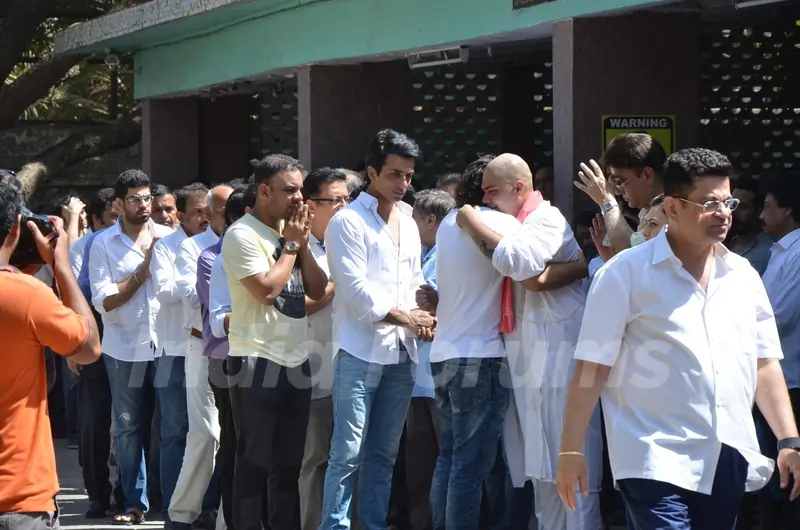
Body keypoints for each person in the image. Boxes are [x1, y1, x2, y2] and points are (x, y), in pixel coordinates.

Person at [558, 148, 800, 529]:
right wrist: (571, 449)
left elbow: (764, 363)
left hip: (726, 451)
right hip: (651, 455)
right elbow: (592, 367)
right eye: (709, 204)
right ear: (672, 207)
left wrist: (788, 440)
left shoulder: (743, 276)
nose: (723, 213)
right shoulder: (623, 275)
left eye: (728, 202)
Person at [456, 153, 601, 529]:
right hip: (528, 362)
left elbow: (518, 264)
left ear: (518, 187)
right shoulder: (515, 223)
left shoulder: (545, 218)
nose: (485, 200)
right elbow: (529, 278)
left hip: (560, 359)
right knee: (542, 481)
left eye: (491, 191)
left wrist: (471, 222)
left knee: (576, 480)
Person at [319, 129, 434, 530]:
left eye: (409, 175)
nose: (403, 183)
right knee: (347, 452)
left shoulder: (408, 220)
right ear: (371, 172)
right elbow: (354, 292)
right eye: (395, 174)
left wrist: (427, 310)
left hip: (402, 351)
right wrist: (408, 318)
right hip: (358, 349)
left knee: (384, 454)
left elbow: (415, 280)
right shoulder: (347, 221)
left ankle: (371, 524)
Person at [222, 155, 327, 530]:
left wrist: (304, 245)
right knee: (254, 463)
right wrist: (291, 246)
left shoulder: (291, 234)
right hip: (255, 359)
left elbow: (317, 289)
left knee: (289, 465)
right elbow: (266, 291)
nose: (299, 198)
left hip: (296, 360)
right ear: (264, 190)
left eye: (301, 189)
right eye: (290, 190)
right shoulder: (242, 234)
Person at [0, 170, 102, 529]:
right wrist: (61, 266)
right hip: (16, 496)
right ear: (16, 226)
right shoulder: (25, 296)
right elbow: (88, 348)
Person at [425, 161, 521, 530]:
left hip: (445, 353)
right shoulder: (502, 224)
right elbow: (529, 266)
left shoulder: (449, 222)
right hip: (479, 357)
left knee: (450, 456)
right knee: (470, 464)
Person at [89, 169, 174, 525]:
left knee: (171, 427)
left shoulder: (169, 237)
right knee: (128, 428)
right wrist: (142, 271)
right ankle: (134, 503)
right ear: (118, 204)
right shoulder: (102, 244)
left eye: (147, 198)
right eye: (135, 200)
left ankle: (170, 502)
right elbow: (104, 301)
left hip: (167, 345)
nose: (144, 206)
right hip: (124, 348)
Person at [168, 184, 231, 530]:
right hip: (202, 345)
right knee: (206, 433)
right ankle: (182, 513)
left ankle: (227, 518)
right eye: (222, 211)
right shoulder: (193, 248)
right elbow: (193, 298)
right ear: (207, 213)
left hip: (243, 348)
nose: (230, 218)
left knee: (237, 437)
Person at [150, 183, 210, 525]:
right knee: (175, 430)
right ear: (181, 215)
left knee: (208, 432)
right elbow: (164, 291)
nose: (204, 217)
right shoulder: (166, 247)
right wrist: (196, 281)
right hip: (173, 347)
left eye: (208, 210)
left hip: (207, 346)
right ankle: (174, 509)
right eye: (197, 211)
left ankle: (205, 506)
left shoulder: (216, 244)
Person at [199, 185, 256, 530]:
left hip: (266, 359)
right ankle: (234, 520)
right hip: (226, 360)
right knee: (235, 444)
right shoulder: (212, 258)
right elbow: (221, 319)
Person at [298, 168, 350, 530]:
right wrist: (337, 282)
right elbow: (297, 305)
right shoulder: (293, 247)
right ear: (310, 205)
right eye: (335, 200)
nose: (343, 206)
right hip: (312, 373)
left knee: (351, 459)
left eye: (347, 198)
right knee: (314, 460)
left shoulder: (352, 241)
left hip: (355, 371)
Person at [755, 172, 800, 527]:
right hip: (772, 382)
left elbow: (779, 316)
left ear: (787, 210)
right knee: (773, 477)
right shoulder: (780, 251)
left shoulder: (797, 253)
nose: (760, 215)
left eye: (768, 206)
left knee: (788, 480)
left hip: (790, 382)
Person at [73, 187, 121, 519]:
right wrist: (76, 346)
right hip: (97, 336)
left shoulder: (148, 241)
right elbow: (78, 297)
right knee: (96, 419)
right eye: (112, 218)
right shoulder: (90, 245)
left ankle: (130, 493)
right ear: (96, 220)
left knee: (132, 421)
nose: (119, 223)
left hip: (134, 338)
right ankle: (98, 494)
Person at [574, 133, 667, 253]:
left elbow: (632, 253)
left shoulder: (670, 212)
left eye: (620, 182)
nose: (618, 191)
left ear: (647, 175)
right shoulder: (646, 212)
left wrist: (606, 200)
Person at [729, 176, 772, 275]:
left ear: (758, 211)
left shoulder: (769, 250)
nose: (733, 212)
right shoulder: (724, 243)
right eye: (732, 205)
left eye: (742, 207)